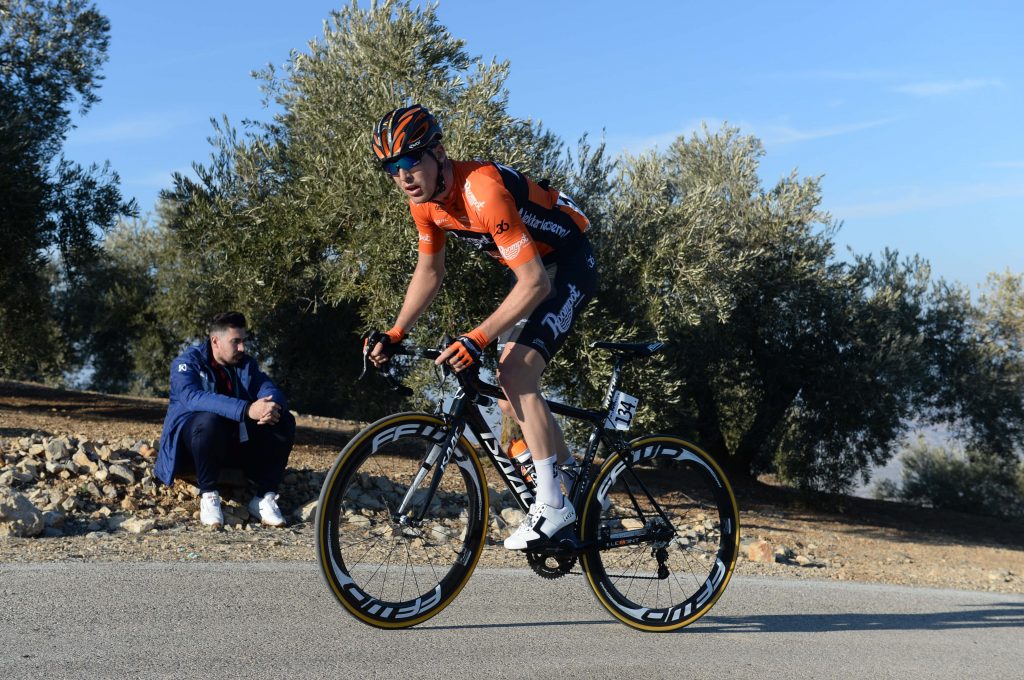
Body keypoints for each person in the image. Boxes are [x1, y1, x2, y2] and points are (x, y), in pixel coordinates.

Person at [366, 104, 597, 550]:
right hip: (537, 270)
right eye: (391, 169)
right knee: (512, 399)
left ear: (438, 152)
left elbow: (535, 282)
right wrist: (396, 332)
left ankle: (553, 504)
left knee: (515, 373)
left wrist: (478, 337)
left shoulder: (483, 190)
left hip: (567, 266)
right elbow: (429, 272)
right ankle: (577, 491)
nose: (403, 176)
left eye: (411, 161)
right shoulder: (426, 205)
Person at [156, 312, 295, 528]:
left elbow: (269, 389)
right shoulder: (186, 364)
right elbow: (192, 398)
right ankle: (209, 495)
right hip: (192, 450)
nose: (242, 348)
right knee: (208, 420)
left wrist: (270, 407)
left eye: (243, 341)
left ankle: (264, 497)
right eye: (235, 342)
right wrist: (247, 409)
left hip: (232, 445)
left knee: (284, 420)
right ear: (215, 341)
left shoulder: (245, 365)